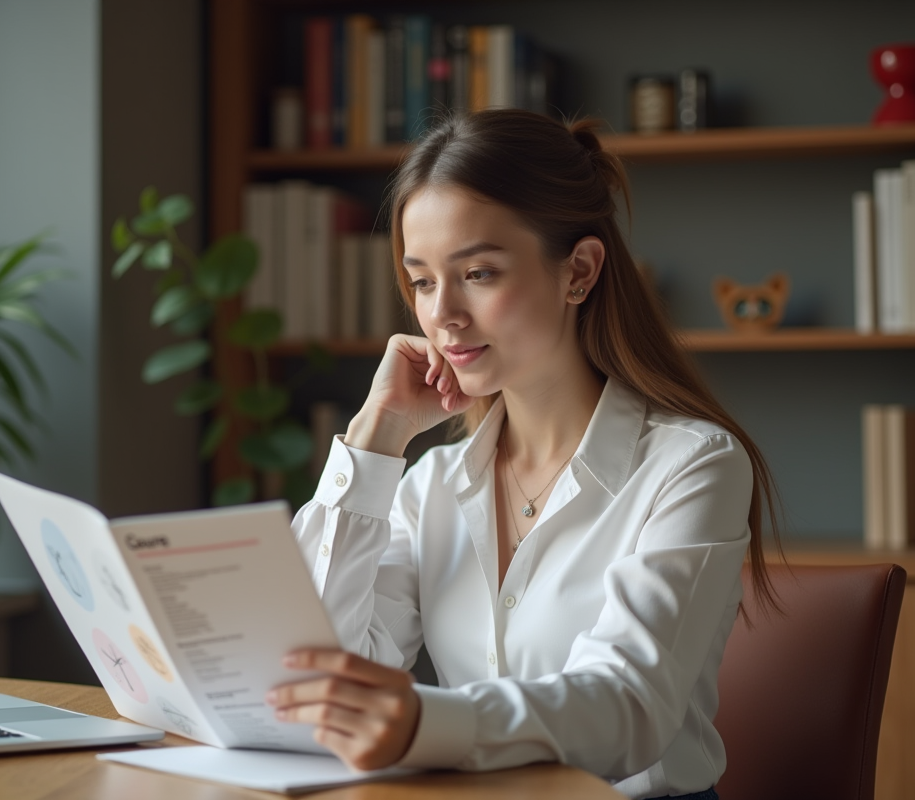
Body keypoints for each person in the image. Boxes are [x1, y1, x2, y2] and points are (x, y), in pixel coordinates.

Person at [266, 109, 781, 800]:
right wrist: (374, 438)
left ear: (579, 271)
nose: (442, 313)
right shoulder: (433, 484)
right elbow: (317, 669)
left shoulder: (691, 466)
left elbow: (629, 707)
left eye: (477, 272)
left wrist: (426, 720)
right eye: (421, 281)